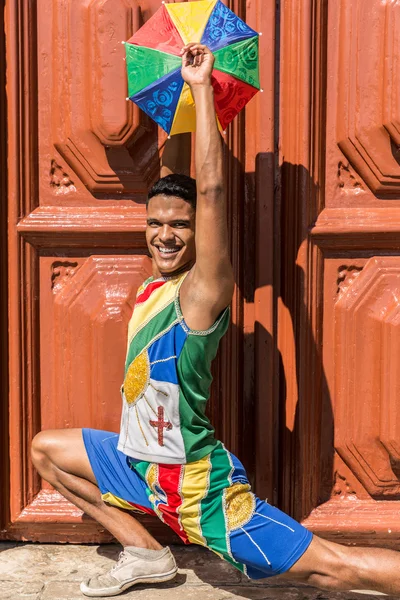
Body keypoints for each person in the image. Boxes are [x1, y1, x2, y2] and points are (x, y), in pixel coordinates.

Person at [31, 43, 400, 598]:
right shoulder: (156, 283)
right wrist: (180, 97)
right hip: (140, 467)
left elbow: (210, 189)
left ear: (199, 232)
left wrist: (204, 88)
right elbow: (178, 176)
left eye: (179, 225)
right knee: (45, 450)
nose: (165, 234)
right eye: (155, 223)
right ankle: (145, 553)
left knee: (336, 569)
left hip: (200, 491)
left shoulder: (202, 291)